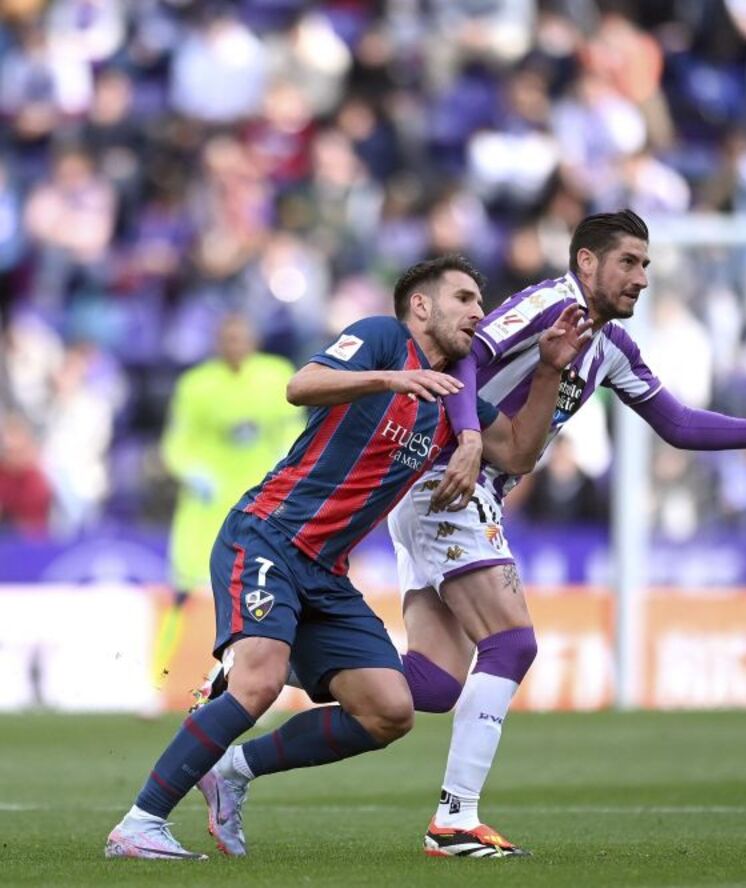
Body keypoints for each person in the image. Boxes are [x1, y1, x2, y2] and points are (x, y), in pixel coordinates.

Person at [391, 209, 746, 857]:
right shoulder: (546, 305)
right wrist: (470, 438)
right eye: (629, 262)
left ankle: (262, 701)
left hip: (468, 493)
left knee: (433, 684)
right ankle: (455, 819)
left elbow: (679, 424)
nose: (642, 277)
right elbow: (463, 357)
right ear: (586, 262)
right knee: (512, 643)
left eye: (646, 265)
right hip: (446, 479)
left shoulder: (609, 348)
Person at [104, 255, 590, 860]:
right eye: (463, 298)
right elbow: (300, 385)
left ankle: (232, 766)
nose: (478, 312)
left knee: (390, 710)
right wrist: (388, 379)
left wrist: (547, 372)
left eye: (479, 301)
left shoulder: (452, 398)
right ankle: (140, 822)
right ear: (421, 306)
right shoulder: (384, 338)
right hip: (268, 535)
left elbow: (516, 453)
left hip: (326, 574)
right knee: (255, 684)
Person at [153, 314, 302, 692]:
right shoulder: (196, 384)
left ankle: (260, 684)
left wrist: (284, 460)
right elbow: (176, 443)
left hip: (261, 502)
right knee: (185, 591)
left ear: (253, 340)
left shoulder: (275, 374)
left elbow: (295, 428)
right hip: (207, 505)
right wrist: (194, 472)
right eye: (228, 338)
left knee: (262, 592)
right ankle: (159, 683)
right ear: (219, 342)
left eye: (242, 338)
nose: (235, 345)